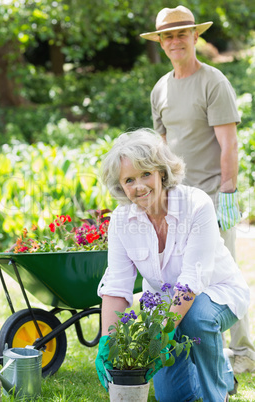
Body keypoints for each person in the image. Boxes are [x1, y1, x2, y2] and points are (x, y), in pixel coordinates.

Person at [140, 5, 255, 374]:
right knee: (184, 276)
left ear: (194, 36)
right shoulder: (161, 89)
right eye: (168, 35)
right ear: (160, 41)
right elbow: (161, 147)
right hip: (176, 202)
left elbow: (229, 145)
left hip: (212, 196)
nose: (175, 40)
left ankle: (242, 353)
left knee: (226, 276)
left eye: (181, 33)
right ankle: (200, 350)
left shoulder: (213, 82)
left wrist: (228, 192)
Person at [95, 129, 250, 402]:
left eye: (145, 174)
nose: (139, 186)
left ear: (162, 173)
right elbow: (117, 286)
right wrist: (108, 341)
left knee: (197, 318)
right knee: (172, 397)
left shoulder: (196, 204)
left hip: (217, 294)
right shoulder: (120, 221)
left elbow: (191, 280)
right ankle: (220, 367)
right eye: (129, 180)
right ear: (121, 186)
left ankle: (218, 393)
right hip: (168, 305)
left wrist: (163, 333)